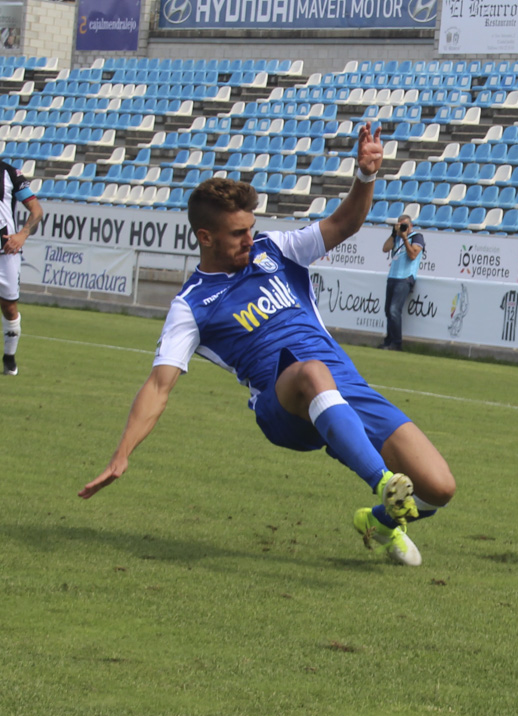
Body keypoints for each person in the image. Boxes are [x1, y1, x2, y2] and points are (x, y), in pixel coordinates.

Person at [78, 123, 454, 567]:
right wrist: (122, 455)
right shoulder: (191, 304)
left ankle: (378, 520)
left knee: (439, 486)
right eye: (238, 233)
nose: (249, 238)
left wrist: (366, 175)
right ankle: (383, 483)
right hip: (281, 405)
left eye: (251, 228)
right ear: (205, 237)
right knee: (311, 371)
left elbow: (344, 223)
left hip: (344, 385)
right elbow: (159, 386)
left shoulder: (277, 250)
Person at [0, 158, 45, 376]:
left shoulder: (9, 173)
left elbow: (36, 210)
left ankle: (9, 356)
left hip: (5, 250)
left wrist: (22, 235)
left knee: (9, 307)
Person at [380, 213, 424, 351]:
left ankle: (397, 343)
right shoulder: (396, 238)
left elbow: (412, 255)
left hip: (405, 277)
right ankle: (389, 340)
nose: (402, 227)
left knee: (394, 310)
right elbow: (385, 248)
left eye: (404, 225)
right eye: (400, 225)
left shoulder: (416, 237)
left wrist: (405, 238)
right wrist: (394, 234)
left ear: (411, 226)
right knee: (388, 310)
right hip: (393, 276)